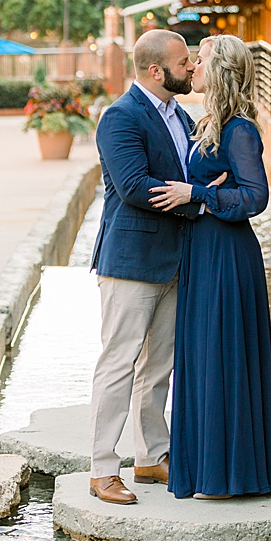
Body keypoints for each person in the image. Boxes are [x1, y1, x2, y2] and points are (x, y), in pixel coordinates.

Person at [150, 34, 271, 500]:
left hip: (228, 257)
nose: (192, 68)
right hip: (202, 251)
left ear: (223, 70)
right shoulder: (209, 122)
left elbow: (256, 197)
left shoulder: (240, 130)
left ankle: (234, 475)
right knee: (203, 356)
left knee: (222, 356)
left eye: (201, 61)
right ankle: (208, 470)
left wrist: (201, 194)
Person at [87, 29, 215, 506]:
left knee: (159, 366)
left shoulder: (180, 114)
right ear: (156, 70)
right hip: (130, 262)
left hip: (177, 260)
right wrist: (199, 203)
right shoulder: (120, 117)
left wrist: (202, 188)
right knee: (118, 365)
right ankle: (102, 469)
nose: (190, 68)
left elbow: (187, 175)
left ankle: (151, 457)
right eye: (184, 61)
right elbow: (135, 186)